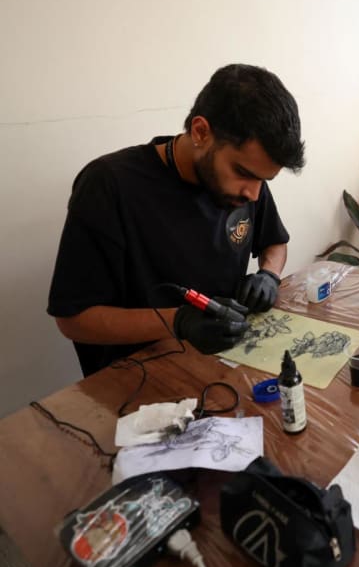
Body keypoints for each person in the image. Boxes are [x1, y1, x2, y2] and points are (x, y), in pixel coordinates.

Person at [48, 64, 306, 376]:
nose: (253, 193)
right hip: (137, 382)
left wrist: (269, 275)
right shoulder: (110, 185)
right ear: (201, 132)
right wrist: (178, 321)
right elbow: (73, 320)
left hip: (221, 367)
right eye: (243, 173)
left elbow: (275, 242)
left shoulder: (246, 187)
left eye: (265, 180)